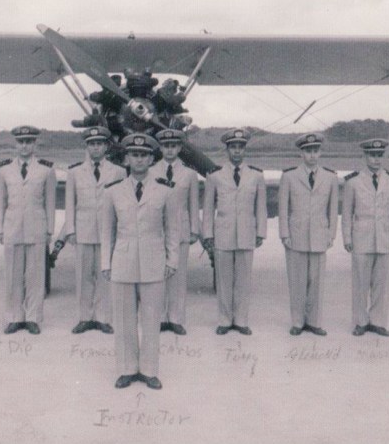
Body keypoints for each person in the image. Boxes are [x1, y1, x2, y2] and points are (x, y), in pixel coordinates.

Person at [101, 133, 179, 390]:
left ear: (151, 158)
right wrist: (105, 262)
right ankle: (126, 369)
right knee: (123, 320)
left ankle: (148, 370)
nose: (139, 159)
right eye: (134, 154)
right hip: (122, 262)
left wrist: (172, 260)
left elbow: (172, 229)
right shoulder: (113, 192)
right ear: (126, 158)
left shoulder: (165, 191)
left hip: (154, 262)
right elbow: (107, 231)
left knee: (151, 319)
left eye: (144, 155)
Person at [61, 126, 126, 335]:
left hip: (108, 232)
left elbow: (121, 204)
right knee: (83, 276)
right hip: (83, 230)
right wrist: (70, 230)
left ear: (106, 146)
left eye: (99, 144)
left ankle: (103, 318)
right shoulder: (74, 172)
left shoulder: (118, 171)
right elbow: (70, 204)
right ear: (87, 147)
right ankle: (84, 317)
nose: (95, 148)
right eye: (91, 144)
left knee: (106, 275)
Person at [202, 128, 267, 336]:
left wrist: (260, 232)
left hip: (247, 234)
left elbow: (261, 207)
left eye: (240, 147)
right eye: (233, 147)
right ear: (227, 150)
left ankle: (241, 320)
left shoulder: (256, 175)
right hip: (223, 234)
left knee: (243, 280)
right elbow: (208, 208)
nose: (237, 151)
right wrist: (208, 235)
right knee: (224, 280)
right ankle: (224, 320)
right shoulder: (215, 176)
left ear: (244, 150)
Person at [0, 125, 56, 335]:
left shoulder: (46, 169)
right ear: (16, 143)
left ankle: (33, 317)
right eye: (21, 142)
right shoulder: (4, 169)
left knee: (35, 275)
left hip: (36, 227)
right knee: (12, 275)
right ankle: (14, 317)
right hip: (12, 227)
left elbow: (50, 201)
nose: (24, 146)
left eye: (29, 141)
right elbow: (0, 202)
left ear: (34, 144)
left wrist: (50, 229)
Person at [279, 132, 338, 336]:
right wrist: (284, 233)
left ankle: (314, 321)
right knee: (297, 281)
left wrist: (331, 234)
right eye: (308, 151)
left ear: (320, 153)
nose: (312, 155)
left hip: (320, 235)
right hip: (296, 236)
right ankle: (297, 322)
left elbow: (332, 208)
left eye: (315, 151)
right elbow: (283, 208)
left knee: (316, 281)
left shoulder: (330, 177)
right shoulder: (289, 176)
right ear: (301, 153)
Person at [341, 138, 389, 337]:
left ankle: (378, 321)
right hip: (361, 237)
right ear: (365, 156)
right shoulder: (353, 182)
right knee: (360, 283)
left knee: (381, 283)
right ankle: (360, 322)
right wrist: (347, 238)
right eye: (372, 155)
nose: (376, 159)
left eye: (379, 155)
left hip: (384, 238)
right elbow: (347, 212)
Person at [152, 129, 200, 336]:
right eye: (166, 146)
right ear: (160, 148)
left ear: (180, 148)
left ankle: (176, 319)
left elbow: (193, 204)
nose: (170, 150)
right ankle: (160, 318)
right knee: (158, 276)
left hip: (180, 230)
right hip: (156, 231)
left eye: (173, 146)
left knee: (178, 277)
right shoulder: (151, 171)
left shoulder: (189, 174)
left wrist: (195, 230)